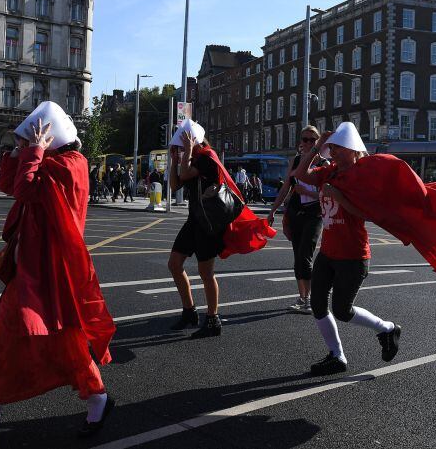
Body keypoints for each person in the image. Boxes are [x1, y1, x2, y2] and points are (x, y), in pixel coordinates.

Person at [0, 102, 116, 442]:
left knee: (30, 340)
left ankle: (94, 399)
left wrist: (34, 151)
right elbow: (10, 185)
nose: (28, 144)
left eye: (33, 138)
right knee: (55, 341)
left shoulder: (70, 165)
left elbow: (25, 188)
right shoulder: (52, 162)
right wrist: (16, 151)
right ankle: (95, 399)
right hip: (35, 268)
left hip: (48, 269)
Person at [293, 123, 401, 376]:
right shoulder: (328, 172)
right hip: (328, 252)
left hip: (353, 255)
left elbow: (366, 213)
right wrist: (317, 147)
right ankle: (337, 355)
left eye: (341, 148)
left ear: (354, 151)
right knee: (318, 305)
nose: (336, 152)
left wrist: (339, 197)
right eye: (334, 148)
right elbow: (300, 172)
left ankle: (386, 328)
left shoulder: (361, 175)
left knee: (343, 310)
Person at [168, 120, 275, 339]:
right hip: (193, 221)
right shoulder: (193, 158)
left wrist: (186, 153)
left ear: (193, 140)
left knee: (206, 273)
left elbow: (187, 174)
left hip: (209, 224)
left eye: (184, 142)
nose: (180, 146)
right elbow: (175, 185)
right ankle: (189, 311)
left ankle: (212, 319)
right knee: (174, 264)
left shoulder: (207, 158)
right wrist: (173, 160)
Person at [268, 126, 325, 314]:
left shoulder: (324, 164)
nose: (308, 142)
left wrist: (307, 191)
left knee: (304, 256)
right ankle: (302, 297)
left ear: (318, 142)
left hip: (314, 214)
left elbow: (329, 194)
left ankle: (309, 299)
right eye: (305, 139)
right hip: (296, 213)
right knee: (297, 258)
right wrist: (272, 210)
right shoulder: (296, 161)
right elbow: (286, 188)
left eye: (312, 139)